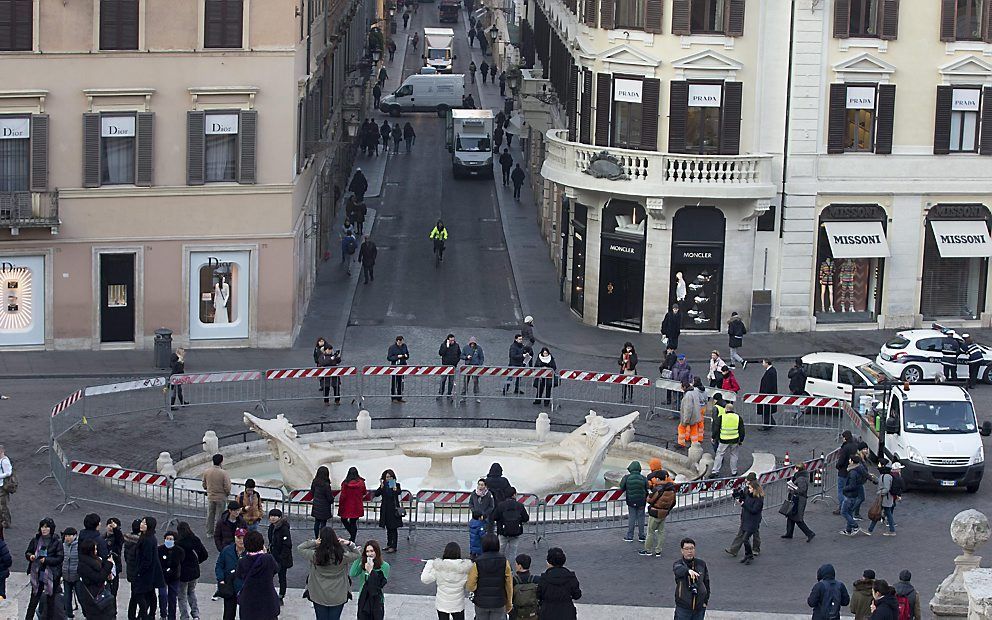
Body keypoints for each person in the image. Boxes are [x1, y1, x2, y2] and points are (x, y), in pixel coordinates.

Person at [298, 526, 360, 620]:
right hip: (338, 594)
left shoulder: (315, 556)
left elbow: (300, 548)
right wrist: (349, 543)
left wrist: (314, 542)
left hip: (318, 593)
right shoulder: (342, 557)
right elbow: (357, 554)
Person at [421, 542, 473, 620]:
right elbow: (469, 585)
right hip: (458, 604)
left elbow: (425, 579)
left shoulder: (439, 568)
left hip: (442, 604)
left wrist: (429, 563)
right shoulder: (465, 569)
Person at [235, 531, 280, 620]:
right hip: (268, 602)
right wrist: (265, 553)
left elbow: (239, 575)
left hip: (249, 602)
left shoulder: (242, 562)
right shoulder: (268, 559)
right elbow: (275, 570)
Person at [25, 518, 64, 620]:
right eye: (42, 526)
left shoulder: (57, 541)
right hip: (37, 574)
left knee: (50, 602)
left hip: (51, 574)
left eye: (46, 527)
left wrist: (46, 560)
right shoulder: (36, 539)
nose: (44, 529)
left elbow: (59, 558)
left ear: (51, 528)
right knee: (33, 601)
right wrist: (31, 556)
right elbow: (28, 552)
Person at [466, 534, 513, 620]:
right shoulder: (504, 562)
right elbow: (509, 585)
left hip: (481, 602)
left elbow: (470, 585)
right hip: (499, 602)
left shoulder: (477, 562)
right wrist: (509, 602)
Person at [132, 517, 166, 620]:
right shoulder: (147, 537)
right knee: (150, 594)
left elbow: (147, 559)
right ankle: (149, 614)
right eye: (142, 522)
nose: (142, 524)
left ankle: (146, 616)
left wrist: (139, 572)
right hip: (149, 572)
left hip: (146, 573)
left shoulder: (148, 539)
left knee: (140, 594)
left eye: (145, 523)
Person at [175, 521, 208, 620]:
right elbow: (204, 554)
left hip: (183, 573)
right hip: (194, 571)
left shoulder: (178, 543)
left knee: (182, 596)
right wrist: (197, 562)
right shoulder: (195, 539)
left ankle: (184, 616)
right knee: (191, 592)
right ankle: (195, 614)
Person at [349, 540, 390, 620]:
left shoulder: (385, 566)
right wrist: (358, 557)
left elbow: (379, 584)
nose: (369, 554)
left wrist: (371, 571)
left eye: (372, 551)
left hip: (377, 600)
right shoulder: (363, 564)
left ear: (377, 551)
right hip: (364, 598)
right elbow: (352, 573)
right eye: (367, 551)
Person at [76, 537, 115, 620]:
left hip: (99, 595)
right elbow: (98, 578)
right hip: (94, 597)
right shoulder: (83, 565)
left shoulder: (96, 560)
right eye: (95, 549)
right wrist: (109, 565)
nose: (96, 551)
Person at [537, 547, 581, 619]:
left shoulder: (544, 578)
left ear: (549, 562)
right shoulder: (570, 576)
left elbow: (539, 595)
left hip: (547, 613)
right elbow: (577, 595)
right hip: (567, 613)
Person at [724, 474, 761, 558]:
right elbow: (744, 498)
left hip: (753, 518)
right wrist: (738, 496)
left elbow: (754, 508)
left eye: (747, 481)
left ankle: (755, 548)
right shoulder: (748, 489)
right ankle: (734, 549)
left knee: (755, 533)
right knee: (741, 532)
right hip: (746, 515)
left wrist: (743, 504)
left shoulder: (758, 494)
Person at [640, 472, 676, 557]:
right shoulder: (672, 488)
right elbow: (674, 502)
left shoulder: (658, 488)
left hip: (655, 512)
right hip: (664, 513)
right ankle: (658, 551)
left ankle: (648, 550)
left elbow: (650, 500)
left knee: (650, 532)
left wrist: (649, 495)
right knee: (661, 532)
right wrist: (667, 509)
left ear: (658, 479)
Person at [673, 537, 709, 620]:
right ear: (682, 551)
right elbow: (678, 570)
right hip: (683, 607)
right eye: (687, 549)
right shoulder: (678, 564)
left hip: (699, 607)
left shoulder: (701, 564)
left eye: (692, 548)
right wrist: (688, 571)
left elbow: (706, 582)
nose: (689, 551)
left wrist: (705, 601)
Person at [492, 487, 529, 566]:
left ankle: (500, 568)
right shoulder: (520, 505)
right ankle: (510, 570)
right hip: (516, 532)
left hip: (502, 532)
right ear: (514, 495)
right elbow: (526, 518)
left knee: (500, 552)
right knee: (512, 553)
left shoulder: (501, 505)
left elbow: (494, 517)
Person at [214, 528, 246, 620]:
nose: (241, 541)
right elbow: (219, 565)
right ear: (235, 538)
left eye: (243, 538)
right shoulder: (227, 550)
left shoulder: (250, 552)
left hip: (244, 588)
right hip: (229, 587)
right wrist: (221, 579)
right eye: (239, 538)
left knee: (246, 614)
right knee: (228, 614)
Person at [781, 462, 816, 542]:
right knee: (790, 515)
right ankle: (789, 533)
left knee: (797, 518)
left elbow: (802, 490)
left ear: (797, 469)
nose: (794, 470)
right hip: (796, 499)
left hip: (799, 500)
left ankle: (809, 533)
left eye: (795, 468)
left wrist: (793, 488)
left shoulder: (801, 479)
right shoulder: (800, 476)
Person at [710, 402, 744, 477]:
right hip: (735, 440)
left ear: (726, 409)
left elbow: (716, 429)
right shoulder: (738, 417)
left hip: (723, 440)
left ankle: (715, 471)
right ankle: (734, 472)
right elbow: (742, 430)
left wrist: (713, 437)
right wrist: (741, 440)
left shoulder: (722, 417)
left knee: (719, 454)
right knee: (734, 455)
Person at [266, 509, 293, 602]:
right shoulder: (271, 527)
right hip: (273, 556)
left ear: (280, 517)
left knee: (282, 577)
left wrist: (281, 557)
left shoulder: (284, 528)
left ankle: (281, 596)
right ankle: (268, 594)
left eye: (275, 516)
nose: (273, 518)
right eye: (271, 516)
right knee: (268, 576)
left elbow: (287, 544)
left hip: (282, 558)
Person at [375, 469, 404, 553]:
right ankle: (389, 544)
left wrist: (395, 489)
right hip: (385, 509)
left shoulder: (395, 485)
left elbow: (397, 493)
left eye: (390, 477)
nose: (388, 479)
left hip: (393, 509)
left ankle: (394, 546)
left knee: (393, 528)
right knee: (388, 528)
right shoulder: (383, 485)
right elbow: (377, 493)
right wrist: (381, 487)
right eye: (387, 477)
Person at [158, 530, 185, 620]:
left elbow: (178, 562)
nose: (168, 541)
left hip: (174, 577)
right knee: (162, 595)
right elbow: (159, 563)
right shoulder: (160, 549)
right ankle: (163, 614)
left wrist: (171, 570)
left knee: (172, 598)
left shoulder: (179, 551)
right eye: (167, 539)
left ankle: (171, 616)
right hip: (162, 576)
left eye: (171, 539)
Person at [736, 479, 764, 564]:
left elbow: (754, 510)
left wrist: (744, 505)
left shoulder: (759, 499)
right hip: (746, 520)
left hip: (753, 522)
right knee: (745, 539)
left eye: (750, 488)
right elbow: (744, 499)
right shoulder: (749, 495)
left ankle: (749, 555)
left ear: (755, 489)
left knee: (745, 539)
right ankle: (747, 555)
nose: (749, 490)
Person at [619, 461, 648, 543]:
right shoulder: (643, 478)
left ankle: (630, 536)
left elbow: (621, 487)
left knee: (632, 518)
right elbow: (647, 487)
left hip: (631, 501)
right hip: (642, 501)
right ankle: (642, 536)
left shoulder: (626, 477)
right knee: (641, 518)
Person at [841, 455, 869, 536]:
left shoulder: (852, 472)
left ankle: (855, 526)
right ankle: (848, 530)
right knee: (849, 512)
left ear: (852, 461)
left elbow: (852, 485)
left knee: (844, 512)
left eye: (850, 459)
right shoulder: (860, 468)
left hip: (850, 495)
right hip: (854, 494)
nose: (849, 460)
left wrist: (844, 488)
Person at [336, 467, 366, 544]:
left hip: (347, 506)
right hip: (357, 506)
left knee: (344, 520)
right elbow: (364, 492)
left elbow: (343, 496)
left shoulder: (345, 484)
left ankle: (352, 536)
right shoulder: (361, 483)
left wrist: (340, 505)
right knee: (353, 522)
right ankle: (353, 537)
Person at [866, 463, 897, 536]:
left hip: (884, 498)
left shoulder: (885, 476)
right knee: (883, 513)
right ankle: (870, 529)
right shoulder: (887, 476)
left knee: (878, 513)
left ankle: (870, 529)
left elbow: (886, 488)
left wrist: (879, 492)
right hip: (887, 498)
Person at [834, 430, 858, 515]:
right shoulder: (855, 446)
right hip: (852, 470)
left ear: (845, 438)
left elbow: (841, 460)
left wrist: (838, 466)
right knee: (848, 490)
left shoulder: (845, 448)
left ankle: (842, 507)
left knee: (841, 491)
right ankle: (848, 506)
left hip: (843, 471)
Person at [468, 479, 494, 557]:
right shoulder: (474, 493)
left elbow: (491, 506)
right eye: (479, 484)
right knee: (474, 536)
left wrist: (485, 514)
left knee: (483, 537)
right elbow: (470, 503)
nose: (480, 486)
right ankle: (473, 552)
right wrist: (474, 511)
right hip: (475, 517)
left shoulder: (489, 495)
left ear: (485, 486)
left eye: (482, 485)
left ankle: (482, 552)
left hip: (484, 519)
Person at [510, 554, 539, 620]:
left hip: (517, 614)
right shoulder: (536, 579)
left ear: (520, 566)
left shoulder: (513, 581)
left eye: (516, 564)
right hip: (532, 614)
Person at [311, 466, 336, 540]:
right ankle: (322, 538)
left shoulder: (315, 482)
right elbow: (329, 497)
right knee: (323, 524)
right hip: (324, 506)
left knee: (316, 522)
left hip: (316, 505)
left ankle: (316, 538)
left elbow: (312, 492)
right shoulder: (326, 485)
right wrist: (332, 499)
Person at [678, 380, 705, 448]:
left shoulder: (688, 395)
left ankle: (681, 444)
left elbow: (688, 409)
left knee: (681, 428)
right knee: (694, 431)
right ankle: (695, 444)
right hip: (695, 416)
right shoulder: (695, 392)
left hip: (690, 417)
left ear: (684, 387)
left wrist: (685, 420)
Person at [103, 518, 124, 596]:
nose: (111, 528)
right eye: (110, 526)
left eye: (113, 527)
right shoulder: (103, 537)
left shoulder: (118, 538)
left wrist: (116, 529)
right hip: (103, 567)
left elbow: (119, 537)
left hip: (114, 568)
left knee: (112, 593)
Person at [460, 337, 485, 403]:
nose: (472, 344)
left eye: (473, 343)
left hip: (475, 367)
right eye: (471, 343)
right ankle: (463, 397)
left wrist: (479, 365)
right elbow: (461, 356)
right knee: (465, 383)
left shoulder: (479, 348)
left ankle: (477, 397)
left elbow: (481, 357)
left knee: (475, 382)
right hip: (467, 367)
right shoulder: (466, 348)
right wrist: (466, 357)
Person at [387, 335, 410, 402]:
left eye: (401, 342)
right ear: (397, 341)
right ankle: (393, 397)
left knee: (400, 382)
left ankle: (400, 397)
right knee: (394, 382)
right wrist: (397, 357)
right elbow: (389, 357)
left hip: (402, 366)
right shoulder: (392, 348)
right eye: (399, 342)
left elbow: (407, 354)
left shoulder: (404, 346)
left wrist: (406, 356)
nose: (400, 343)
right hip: (395, 367)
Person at [438, 333, 462, 398]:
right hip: (445, 366)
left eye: (453, 340)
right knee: (443, 380)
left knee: (451, 381)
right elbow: (441, 353)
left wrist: (456, 361)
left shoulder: (456, 345)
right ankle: (440, 393)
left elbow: (459, 354)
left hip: (453, 367)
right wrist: (446, 347)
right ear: (448, 340)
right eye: (451, 340)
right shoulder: (443, 345)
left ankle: (449, 394)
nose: (452, 342)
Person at [62, 527, 78, 618]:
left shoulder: (79, 546)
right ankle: (68, 614)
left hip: (76, 575)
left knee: (81, 596)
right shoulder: (63, 546)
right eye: (66, 536)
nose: (67, 538)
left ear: (75, 536)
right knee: (67, 597)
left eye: (69, 536)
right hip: (66, 575)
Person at [758, 358, 778, 429]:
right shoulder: (772, 370)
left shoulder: (770, 372)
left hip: (767, 395)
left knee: (765, 410)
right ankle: (772, 422)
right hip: (769, 394)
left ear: (767, 363)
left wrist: (764, 394)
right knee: (767, 410)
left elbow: (768, 384)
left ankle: (766, 425)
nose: (762, 364)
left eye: (763, 362)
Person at [0, 445, 12, 539]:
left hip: (2, 486)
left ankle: (6, 522)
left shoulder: (5, 461)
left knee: (3, 505)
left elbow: (8, 472)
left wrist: (0, 476)